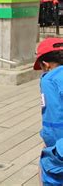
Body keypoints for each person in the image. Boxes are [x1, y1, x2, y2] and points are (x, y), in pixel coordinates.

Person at [33, 38, 63, 185]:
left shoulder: (49, 80)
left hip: (60, 151)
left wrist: (51, 147)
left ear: (46, 65)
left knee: (46, 171)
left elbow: (53, 122)